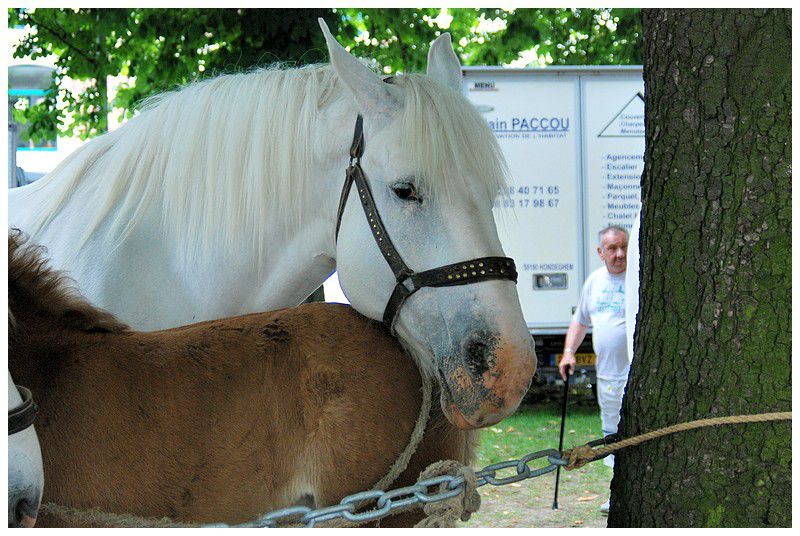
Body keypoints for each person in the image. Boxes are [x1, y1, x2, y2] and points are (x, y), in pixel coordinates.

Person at [559, 225, 630, 515]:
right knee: (612, 433)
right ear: (600, 252)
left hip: (637, 374)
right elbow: (580, 321)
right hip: (609, 376)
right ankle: (618, 496)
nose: (620, 253)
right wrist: (568, 352)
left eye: (624, 246)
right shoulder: (595, 282)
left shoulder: (639, 278)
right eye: (612, 248)